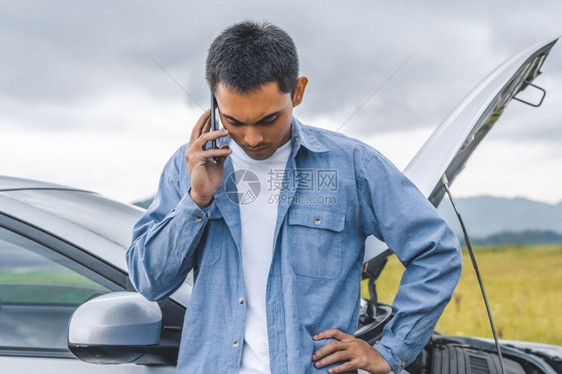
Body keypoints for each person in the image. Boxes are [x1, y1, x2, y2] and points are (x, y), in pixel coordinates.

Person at [126, 20, 462, 374]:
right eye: (235, 121)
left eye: (269, 119)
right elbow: (149, 282)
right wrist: (197, 200)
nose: (252, 138)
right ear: (214, 101)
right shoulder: (187, 169)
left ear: (297, 92)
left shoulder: (353, 166)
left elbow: (436, 251)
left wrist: (391, 350)